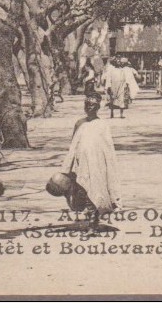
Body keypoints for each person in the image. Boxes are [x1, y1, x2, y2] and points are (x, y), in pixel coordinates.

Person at [62, 92, 120, 225]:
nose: (89, 108)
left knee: (96, 191)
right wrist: (68, 166)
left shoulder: (102, 125)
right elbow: (73, 145)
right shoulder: (79, 123)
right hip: (81, 164)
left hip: (97, 165)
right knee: (82, 189)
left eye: (93, 105)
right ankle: (91, 218)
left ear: (98, 107)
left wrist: (107, 168)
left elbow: (108, 149)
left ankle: (93, 221)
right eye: (87, 105)